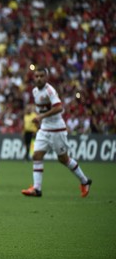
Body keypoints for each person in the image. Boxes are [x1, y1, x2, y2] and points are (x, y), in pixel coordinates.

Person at [21, 67, 92, 198]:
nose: (39, 79)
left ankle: (85, 181)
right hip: (44, 129)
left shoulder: (50, 90)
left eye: (41, 76)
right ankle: (37, 189)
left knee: (63, 159)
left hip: (57, 129)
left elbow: (59, 107)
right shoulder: (35, 91)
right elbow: (43, 110)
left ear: (46, 77)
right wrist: (41, 120)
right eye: (36, 76)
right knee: (36, 156)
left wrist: (41, 117)